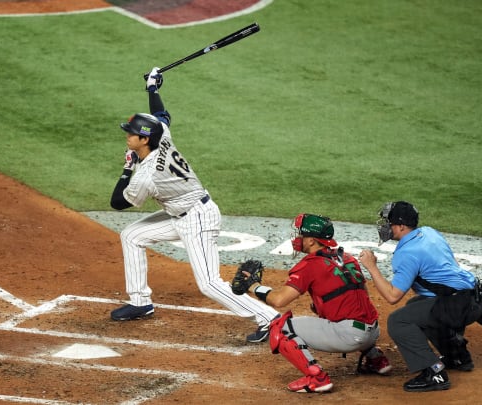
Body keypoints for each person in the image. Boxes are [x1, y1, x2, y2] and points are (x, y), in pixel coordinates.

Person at [108, 67, 279, 343]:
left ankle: (270, 319)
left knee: (210, 284)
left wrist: (127, 168)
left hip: (198, 218)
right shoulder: (161, 136)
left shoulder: (147, 175)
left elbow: (118, 203)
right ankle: (140, 301)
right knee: (132, 235)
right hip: (179, 212)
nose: (127, 137)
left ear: (144, 140)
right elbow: (162, 116)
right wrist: (153, 89)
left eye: (131, 134)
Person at [239, 213, 392, 393]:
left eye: (300, 235)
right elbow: (360, 295)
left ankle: (317, 377)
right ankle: (376, 359)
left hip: (350, 336)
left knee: (280, 328)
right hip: (372, 331)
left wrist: (254, 286)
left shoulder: (310, 264)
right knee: (343, 311)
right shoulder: (348, 258)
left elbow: (279, 300)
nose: (297, 238)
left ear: (311, 241)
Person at [358, 201, 482, 392]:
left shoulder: (407, 253)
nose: (385, 226)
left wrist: (372, 267)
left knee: (397, 321)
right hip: (473, 299)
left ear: (401, 226)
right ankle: (456, 356)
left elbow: (393, 297)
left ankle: (434, 373)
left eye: (388, 222)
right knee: (416, 305)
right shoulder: (428, 232)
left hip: (458, 306)